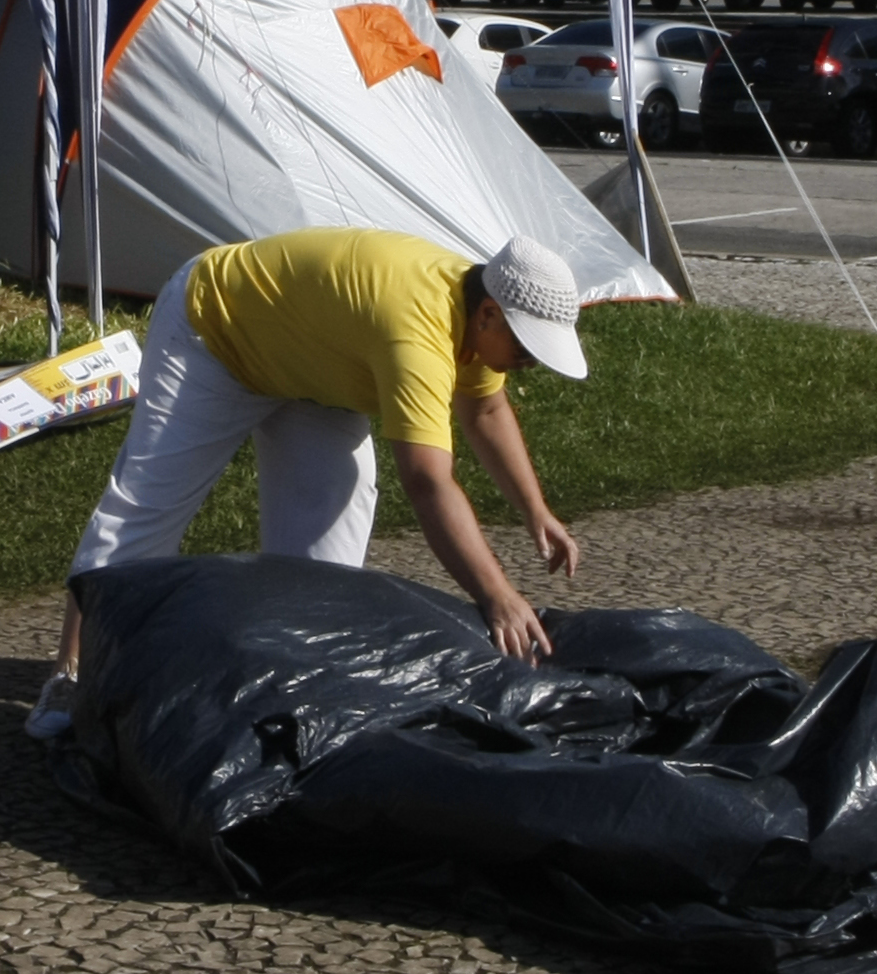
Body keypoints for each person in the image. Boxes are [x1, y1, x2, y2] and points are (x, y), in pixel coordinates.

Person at [31, 227, 589, 738]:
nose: (529, 363)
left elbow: (486, 411)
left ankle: (286, 682)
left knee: (331, 538)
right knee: (148, 506)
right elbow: (427, 482)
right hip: (217, 334)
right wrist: (497, 598)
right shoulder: (417, 329)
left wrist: (536, 511)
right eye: (525, 349)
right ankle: (71, 675)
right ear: (491, 313)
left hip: (313, 370)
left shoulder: (478, 318)